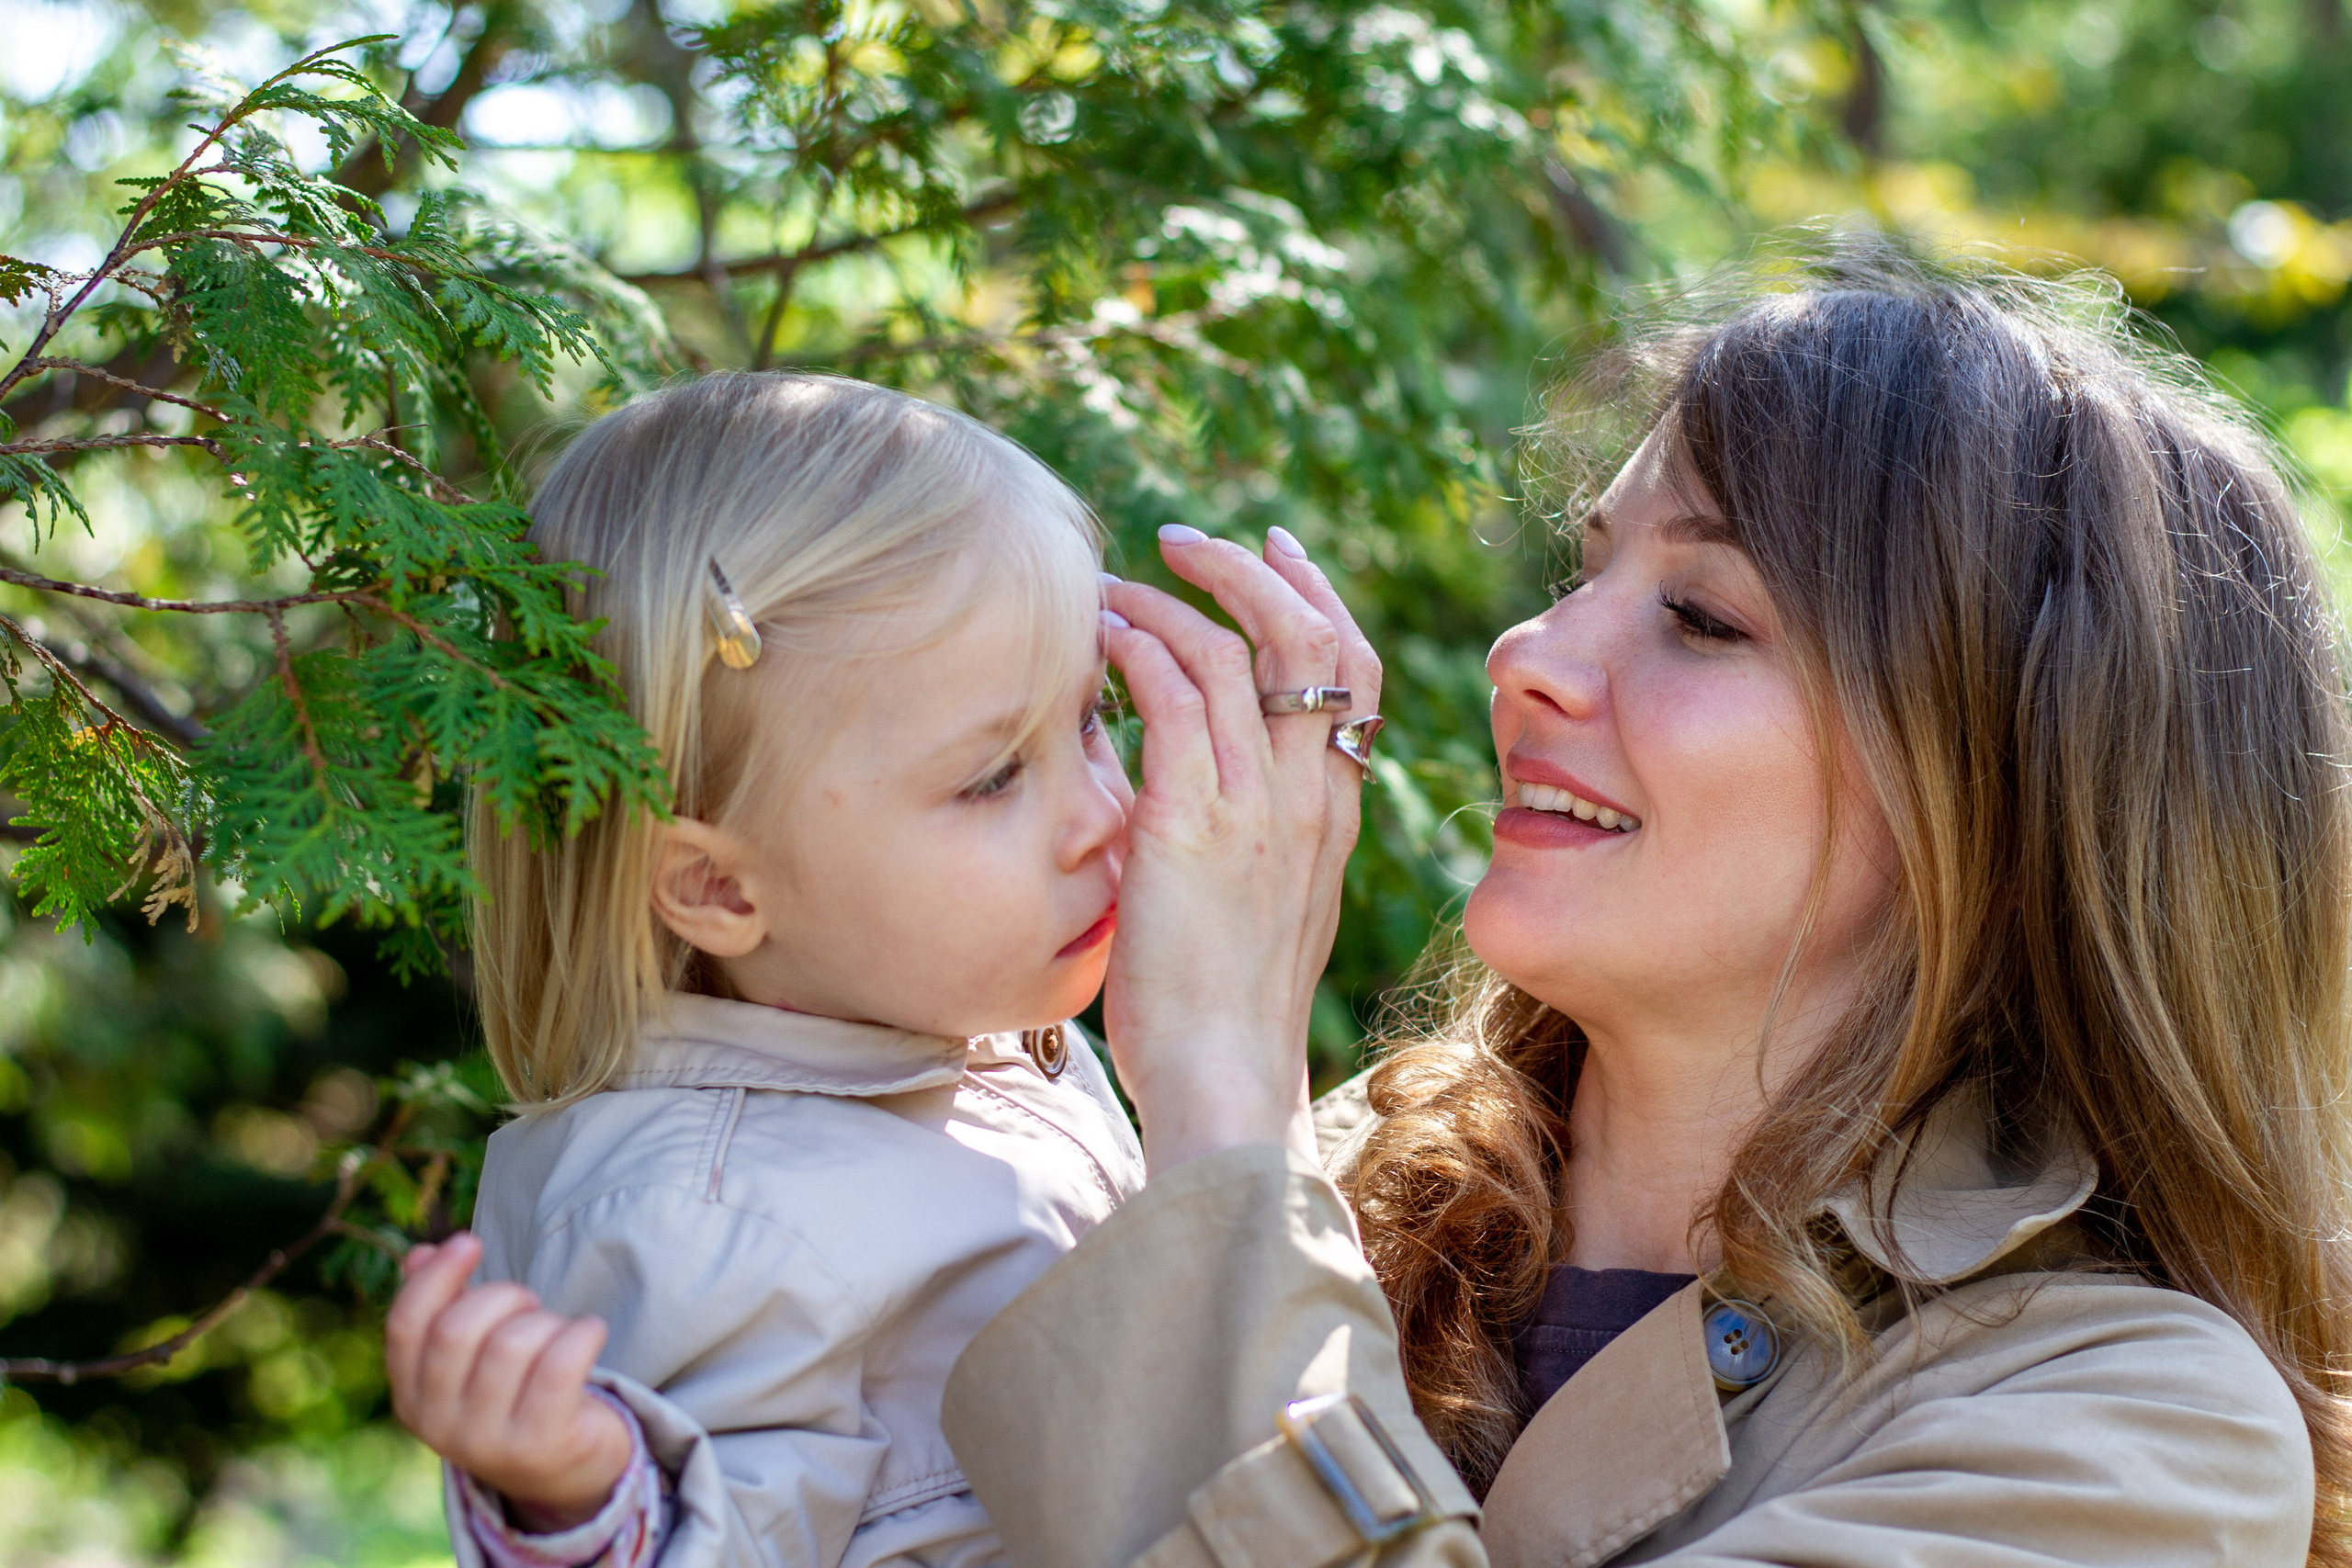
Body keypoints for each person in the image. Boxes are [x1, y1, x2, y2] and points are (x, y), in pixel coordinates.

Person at [939, 252, 2352, 1568]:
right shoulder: (1329, 1176)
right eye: (1584, 567)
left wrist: (1224, 1088)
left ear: (2013, 790)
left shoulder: (2135, 1431)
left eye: (1707, 617)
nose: (1527, 654)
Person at [376, 373, 1367, 1568]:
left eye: (1091, 720)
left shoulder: (967, 1040)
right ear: (716, 889)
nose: (1104, 816)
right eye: (994, 777)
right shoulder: (698, 1218)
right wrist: (585, 1507)